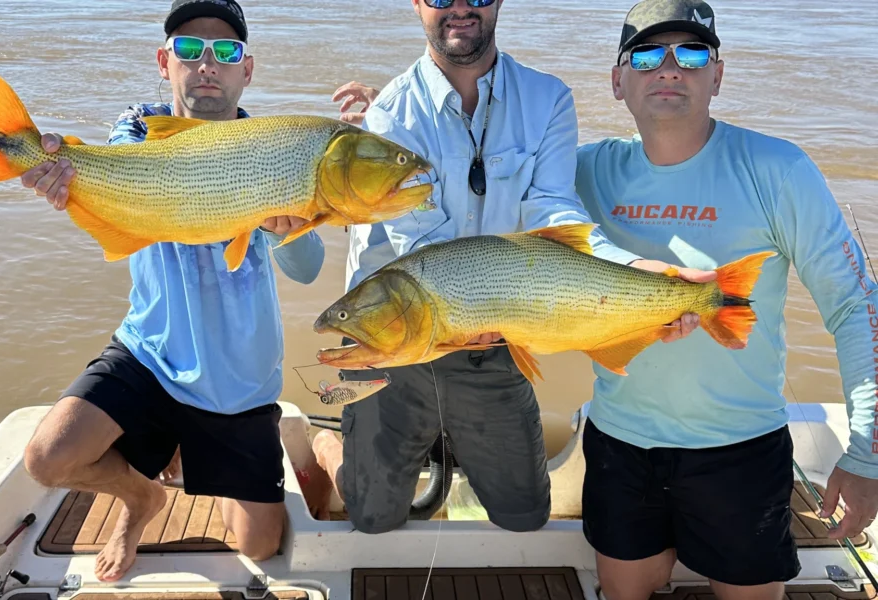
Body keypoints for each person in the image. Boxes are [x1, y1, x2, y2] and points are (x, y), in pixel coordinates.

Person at [307, 0, 712, 534]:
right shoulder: (389, 114)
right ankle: (330, 446)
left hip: (496, 333)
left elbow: (556, 213)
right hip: (393, 333)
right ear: (416, 5)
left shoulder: (547, 99)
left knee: (524, 517)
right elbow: (420, 241)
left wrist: (634, 268)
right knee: (372, 518)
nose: (460, 9)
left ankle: (457, 444)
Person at [571, 1, 878, 598]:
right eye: (645, 54)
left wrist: (868, 453)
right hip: (620, 444)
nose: (669, 68)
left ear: (717, 76)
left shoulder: (778, 169)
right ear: (617, 81)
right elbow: (486, 186)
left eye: (690, 53)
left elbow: (856, 307)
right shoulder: (582, 172)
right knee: (624, 590)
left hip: (740, 450)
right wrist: (396, 126)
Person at [20, 0, 325, 582]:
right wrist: (62, 171)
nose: (206, 63)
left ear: (247, 70)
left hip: (239, 379)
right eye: (189, 49)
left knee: (260, 546)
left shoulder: (278, 149)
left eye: (225, 51)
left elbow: (309, 272)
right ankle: (142, 500)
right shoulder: (136, 130)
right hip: (151, 354)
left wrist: (290, 228)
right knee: (48, 457)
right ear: (165, 62)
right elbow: (114, 170)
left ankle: (219, 455)